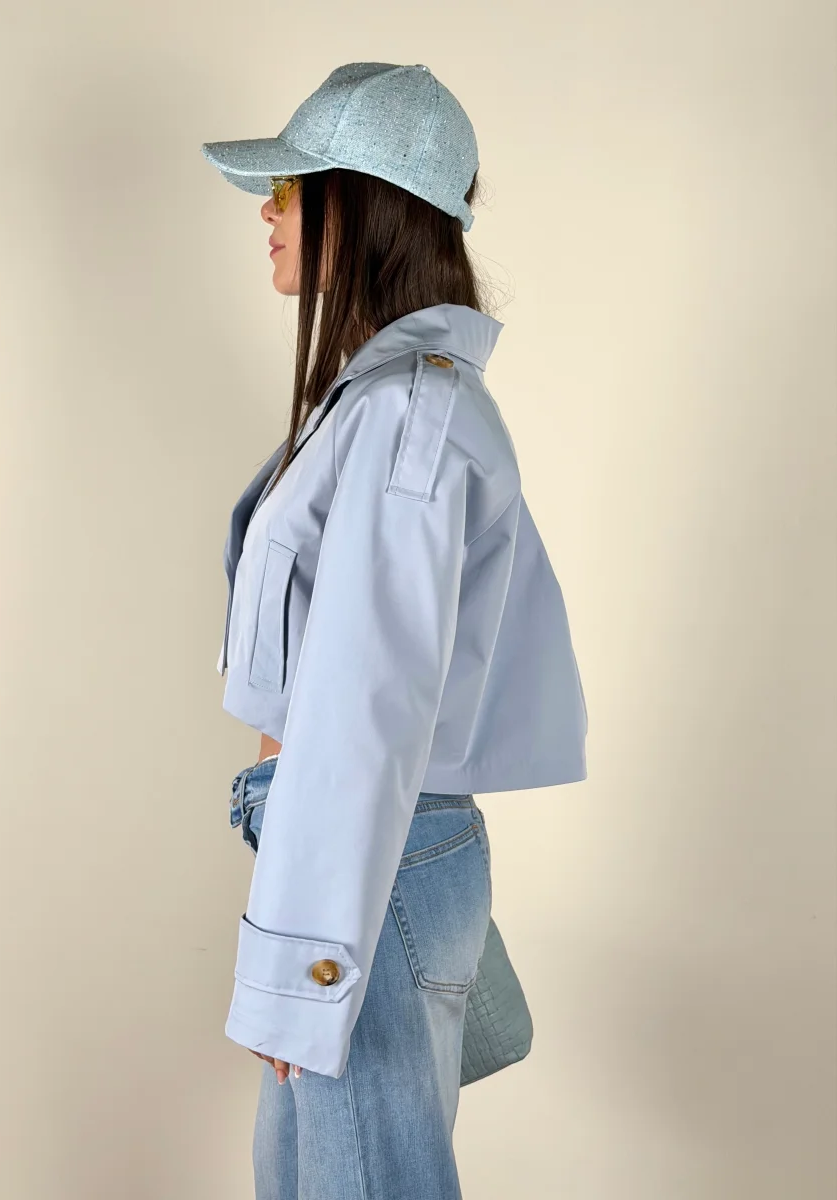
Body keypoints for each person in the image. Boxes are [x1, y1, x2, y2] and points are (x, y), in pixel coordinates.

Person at [201, 61, 588, 1200]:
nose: (267, 213)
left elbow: (366, 705)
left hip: (361, 861)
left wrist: (308, 961)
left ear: (364, 201)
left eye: (290, 187)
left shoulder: (405, 412)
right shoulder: (382, 401)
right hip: (355, 851)